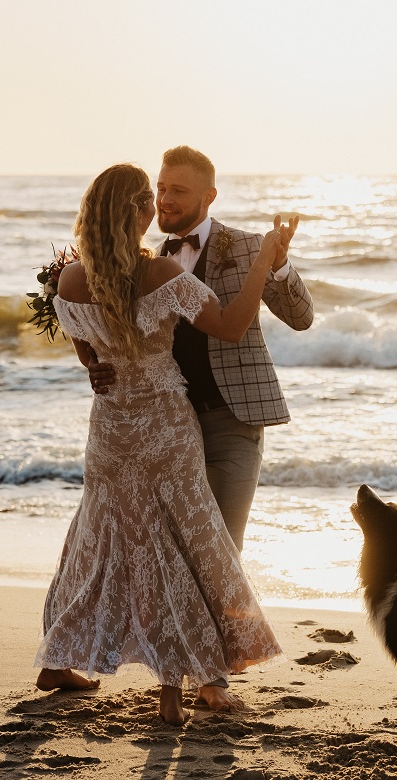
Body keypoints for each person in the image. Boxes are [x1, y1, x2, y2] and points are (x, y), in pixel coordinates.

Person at [34, 164, 288, 725]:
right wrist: (265, 260)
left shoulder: (71, 281)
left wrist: (98, 366)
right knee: (180, 546)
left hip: (109, 431)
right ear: (137, 214)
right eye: (149, 201)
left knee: (97, 544)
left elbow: (86, 348)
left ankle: (58, 658)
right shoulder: (160, 275)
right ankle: (184, 682)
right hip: (166, 430)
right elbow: (229, 325)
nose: (157, 207)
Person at [87, 146, 314, 552]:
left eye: (178, 190)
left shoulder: (248, 248)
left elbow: (302, 318)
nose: (165, 200)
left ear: (209, 196)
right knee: (174, 549)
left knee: (226, 547)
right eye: (160, 188)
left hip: (233, 421)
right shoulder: (145, 264)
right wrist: (95, 364)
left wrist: (277, 264)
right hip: (167, 425)